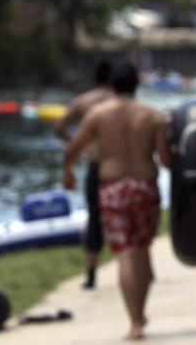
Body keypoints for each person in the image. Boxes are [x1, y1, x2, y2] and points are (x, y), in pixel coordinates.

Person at [63, 61, 172, 341]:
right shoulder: (154, 116)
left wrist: (68, 173)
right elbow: (167, 161)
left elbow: (73, 148)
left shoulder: (98, 115)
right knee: (142, 249)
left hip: (112, 188)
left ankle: (134, 322)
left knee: (125, 254)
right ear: (137, 84)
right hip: (145, 187)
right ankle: (141, 315)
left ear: (111, 86)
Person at [53, 60, 114, 289]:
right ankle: (143, 268)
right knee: (128, 217)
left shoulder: (84, 101)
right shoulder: (121, 101)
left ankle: (91, 274)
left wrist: (79, 146)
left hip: (96, 163)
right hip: (121, 163)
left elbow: (59, 128)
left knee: (94, 218)